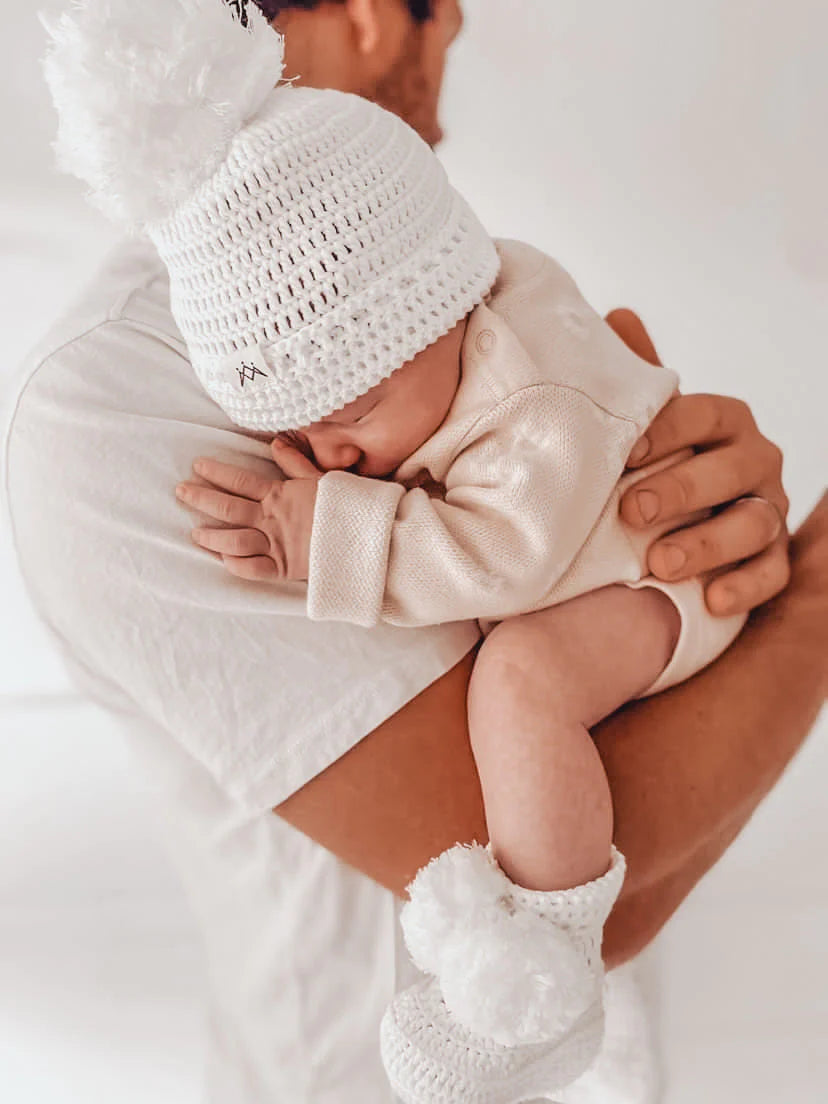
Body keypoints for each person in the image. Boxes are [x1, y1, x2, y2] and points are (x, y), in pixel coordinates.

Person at [5, 1, 824, 1101]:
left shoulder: (428, 292)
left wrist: (705, 516)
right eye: (448, 22)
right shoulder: (112, 406)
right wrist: (809, 597)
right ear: (377, 16)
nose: (454, 55)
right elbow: (596, 887)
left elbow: (558, 563)